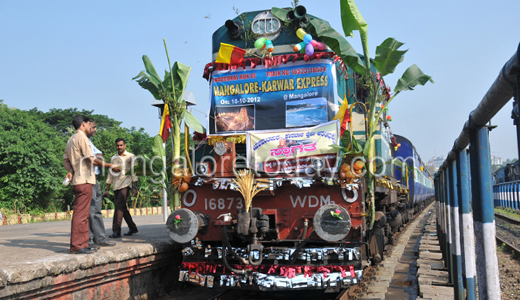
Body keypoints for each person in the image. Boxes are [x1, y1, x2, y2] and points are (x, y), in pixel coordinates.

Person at [63, 115, 120, 254]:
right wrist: (110, 165)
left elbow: (65, 160)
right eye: (90, 124)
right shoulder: (82, 138)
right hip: (85, 180)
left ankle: (82, 243)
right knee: (81, 215)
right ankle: (78, 245)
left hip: (79, 179)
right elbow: (91, 159)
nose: (91, 127)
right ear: (83, 124)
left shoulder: (71, 139)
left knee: (82, 214)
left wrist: (71, 170)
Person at [86, 118, 116, 248]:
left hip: (95, 178)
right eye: (93, 127)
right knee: (90, 211)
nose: (95, 129)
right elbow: (94, 159)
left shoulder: (89, 141)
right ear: (85, 125)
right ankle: (90, 240)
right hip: (88, 178)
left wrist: (99, 159)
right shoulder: (82, 141)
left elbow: (99, 154)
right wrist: (108, 165)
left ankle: (100, 238)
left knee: (97, 210)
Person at [103, 138, 139, 238]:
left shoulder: (131, 157)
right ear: (116, 146)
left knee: (118, 206)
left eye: (121, 145)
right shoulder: (113, 158)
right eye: (117, 145)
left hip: (126, 185)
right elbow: (110, 174)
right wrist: (107, 188)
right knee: (122, 208)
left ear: (125, 146)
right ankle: (133, 228)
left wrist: (135, 187)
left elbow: (134, 172)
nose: (119, 147)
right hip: (116, 185)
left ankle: (116, 231)